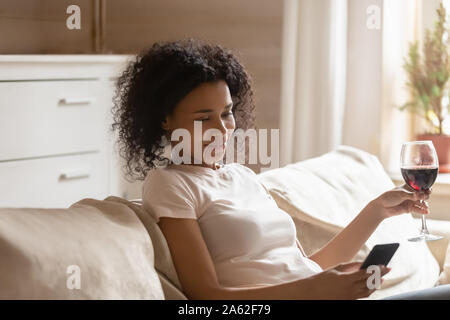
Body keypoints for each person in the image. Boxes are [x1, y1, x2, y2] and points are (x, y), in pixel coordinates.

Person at [111, 38, 449, 300]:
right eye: (203, 118)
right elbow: (206, 296)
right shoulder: (170, 184)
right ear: (164, 119)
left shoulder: (241, 176)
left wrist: (377, 211)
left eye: (226, 113)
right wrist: (314, 291)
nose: (223, 128)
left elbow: (309, 266)